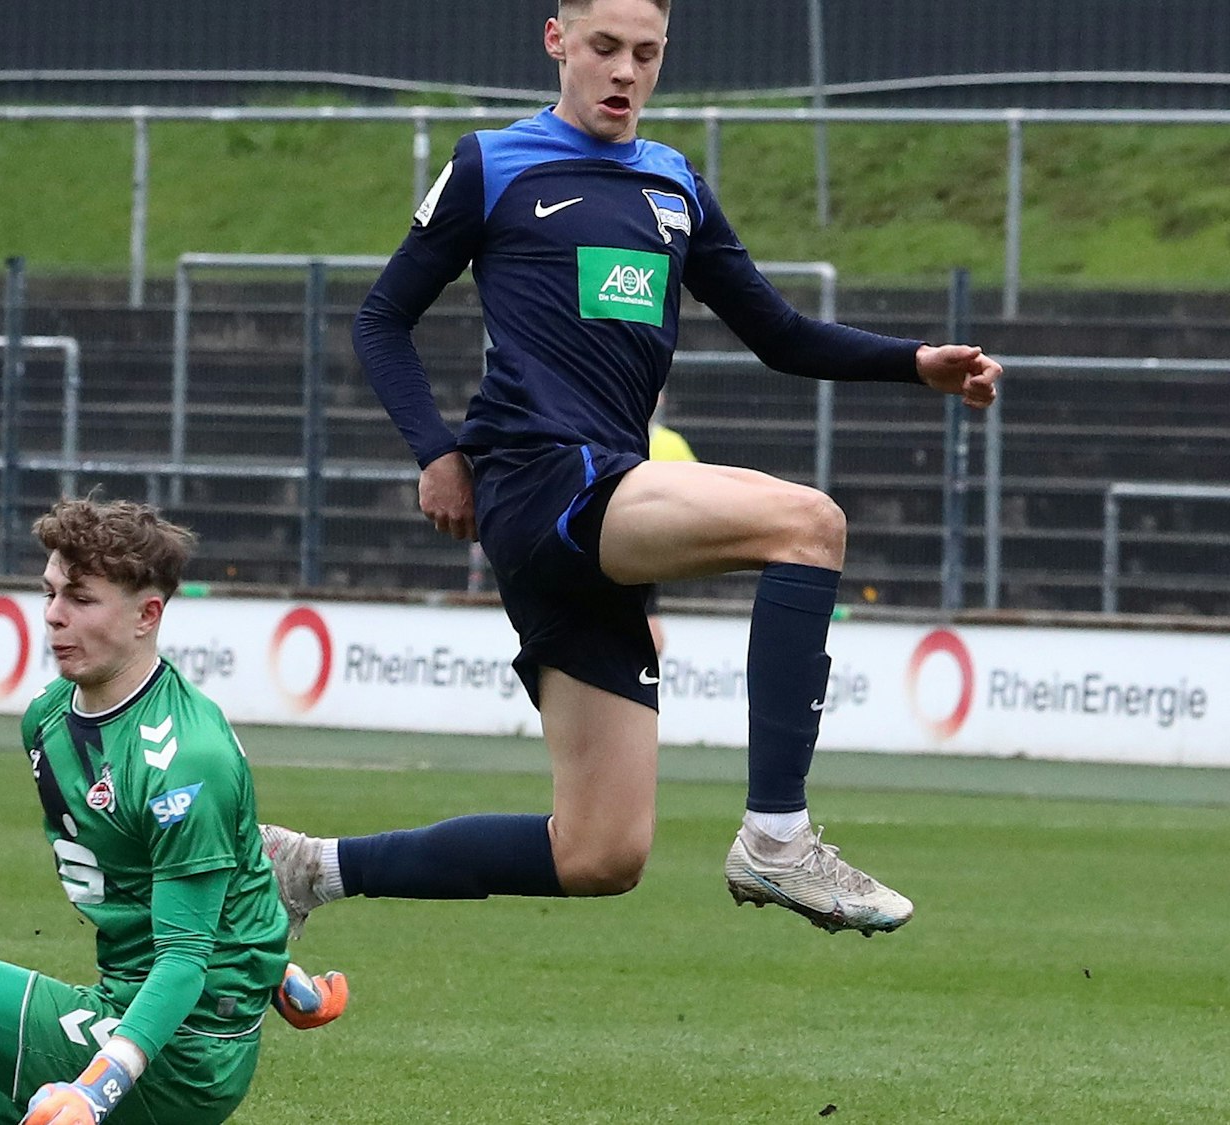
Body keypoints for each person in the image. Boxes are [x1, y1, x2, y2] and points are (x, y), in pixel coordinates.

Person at [264, 0, 1000, 939]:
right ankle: (779, 838)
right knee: (808, 522)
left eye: (645, 54)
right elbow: (381, 318)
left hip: (600, 502)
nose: (624, 72)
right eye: (604, 47)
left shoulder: (674, 184)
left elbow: (776, 333)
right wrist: (437, 452)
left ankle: (312, 869)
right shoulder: (492, 164)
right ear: (555, 39)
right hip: (542, 480)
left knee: (599, 854)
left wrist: (912, 361)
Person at [0, 497, 346, 1125]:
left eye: (80, 600)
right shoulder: (47, 719)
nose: (53, 617)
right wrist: (276, 972)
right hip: (120, 1009)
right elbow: (197, 878)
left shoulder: (187, 759)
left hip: (176, 1052)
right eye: (49, 593)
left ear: (146, 615)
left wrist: (97, 1092)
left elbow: (185, 958)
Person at [645, 390, 698, 655]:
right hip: (618, 549)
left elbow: (698, 496)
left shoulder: (672, 443)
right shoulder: (608, 441)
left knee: (653, 642)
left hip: (649, 556)